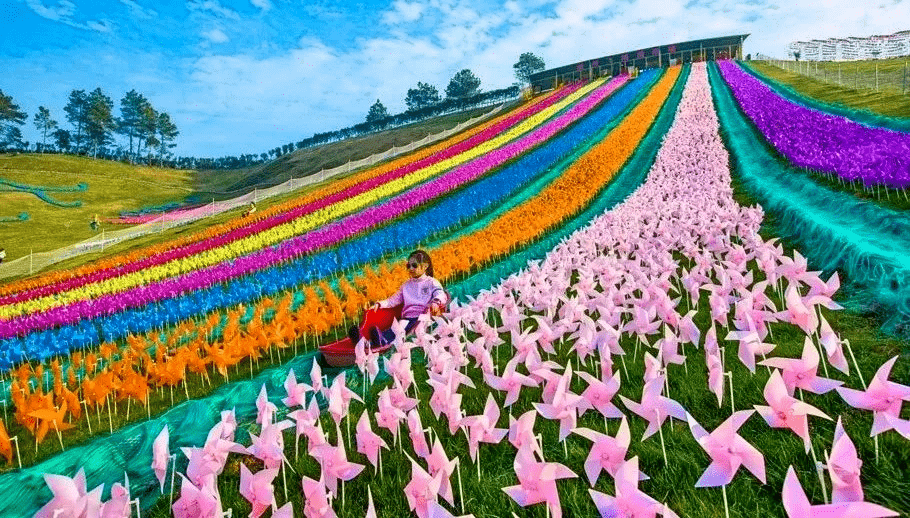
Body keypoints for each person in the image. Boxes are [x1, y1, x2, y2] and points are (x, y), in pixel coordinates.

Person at [347, 249, 447, 348]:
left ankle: (380, 341)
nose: (411, 268)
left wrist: (435, 302)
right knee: (396, 329)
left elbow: (440, 294)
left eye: (414, 265)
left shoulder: (431, 282)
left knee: (400, 331)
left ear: (425, 266)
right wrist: (379, 304)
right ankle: (366, 342)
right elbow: (393, 300)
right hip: (407, 317)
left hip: (423, 317)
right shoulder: (406, 285)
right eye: (408, 266)